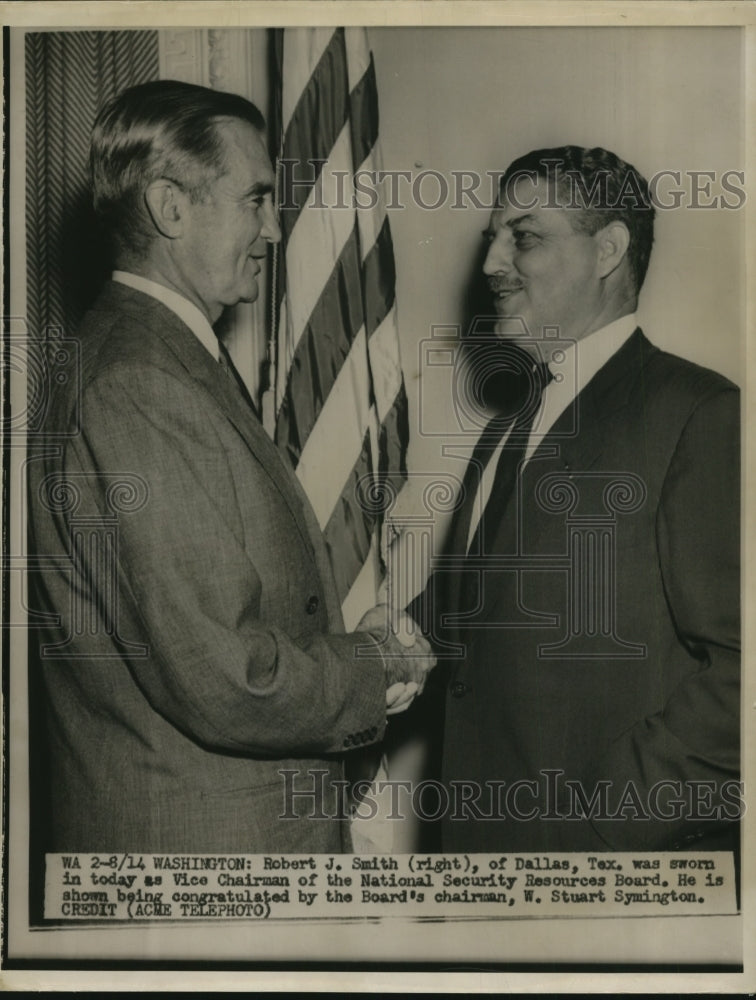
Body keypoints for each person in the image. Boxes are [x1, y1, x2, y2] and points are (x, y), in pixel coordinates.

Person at [27, 80, 433, 854]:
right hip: (204, 856)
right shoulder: (140, 382)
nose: (274, 230)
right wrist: (372, 662)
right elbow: (226, 677)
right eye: (254, 199)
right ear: (170, 209)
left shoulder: (155, 354)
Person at [414, 145, 740, 853]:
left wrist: (604, 826)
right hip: (475, 860)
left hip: (603, 876)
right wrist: (390, 640)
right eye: (492, 239)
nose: (492, 265)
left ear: (608, 250)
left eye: (523, 237)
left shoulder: (698, 412)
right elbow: (483, 607)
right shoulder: (508, 423)